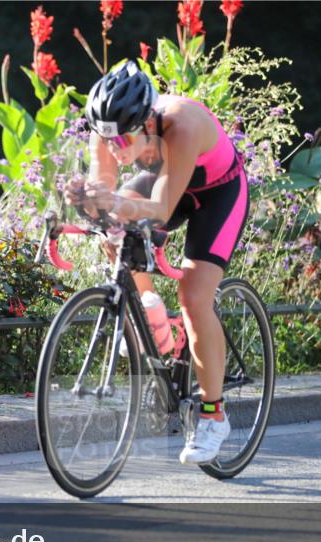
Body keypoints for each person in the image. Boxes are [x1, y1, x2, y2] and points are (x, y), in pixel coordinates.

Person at [64, 61, 250, 465]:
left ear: (148, 120)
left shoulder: (181, 127)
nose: (118, 149)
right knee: (113, 231)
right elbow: (107, 194)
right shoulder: (107, 130)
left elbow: (161, 209)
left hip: (217, 194)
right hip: (164, 186)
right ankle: (151, 311)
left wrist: (114, 202)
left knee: (194, 297)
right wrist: (89, 201)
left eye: (125, 138)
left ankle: (213, 415)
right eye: (109, 140)